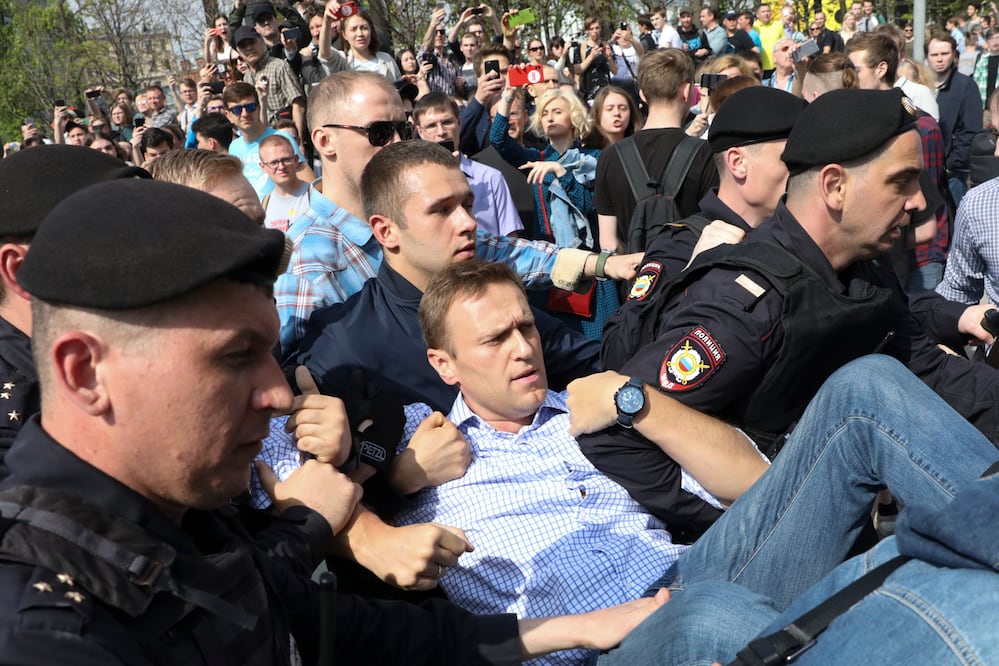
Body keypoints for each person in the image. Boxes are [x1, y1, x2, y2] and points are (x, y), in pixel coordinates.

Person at [0, 177, 666, 664]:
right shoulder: (49, 631)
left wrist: (570, 628)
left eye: (268, 352)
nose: (277, 394)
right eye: (235, 357)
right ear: (86, 373)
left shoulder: (192, 514)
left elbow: (370, 634)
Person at [581, 88, 999, 523]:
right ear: (834, 186)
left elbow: (930, 371)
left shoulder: (862, 272)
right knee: (868, 383)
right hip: (757, 543)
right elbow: (616, 435)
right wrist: (759, 518)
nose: (918, 202)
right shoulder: (747, 300)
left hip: (845, 530)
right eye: (901, 182)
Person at [276, 71, 640, 357]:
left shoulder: (416, 211)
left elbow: (503, 251)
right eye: (379, 131)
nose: (397, 143)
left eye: (402, 128)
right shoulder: (307, 257)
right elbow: (303, 376)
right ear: (325, 141)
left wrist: (606, 264)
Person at [601, 86, 806, 372]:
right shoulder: (680, 246)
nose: (804, 171)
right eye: (790, 159)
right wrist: (689, 280)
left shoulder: (796, 237)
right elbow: (617, 355)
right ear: (738, 163)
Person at [0, 146, 150, 480]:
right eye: (106, 240)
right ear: (22, 270)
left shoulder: (130, 346)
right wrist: (288, 519)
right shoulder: (11, 417)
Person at [593, 48, 718, 253]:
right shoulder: (706, 153)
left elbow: (609, 243)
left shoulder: (610, 156)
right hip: (692, 279)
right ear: (687, 92)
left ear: (642, 95)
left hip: (635, 279)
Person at [413, 92, 522, 237]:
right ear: (420, 131)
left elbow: (510, 239)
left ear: (459, 123)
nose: (441, 132)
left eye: (447, 122)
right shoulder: (414, 183)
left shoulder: (490, 178)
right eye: (431, 126)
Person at [927, 30, 984, 207]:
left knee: (956, 222)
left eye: (944, 54)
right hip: (926, 169)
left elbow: (971, 129)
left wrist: (951, 163)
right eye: (934, 54)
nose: (939, 59)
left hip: (953, 174)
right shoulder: (922, 86)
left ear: (954, 55)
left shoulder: (965, 86)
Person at [224, 82, 306, 198]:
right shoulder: (234, 147)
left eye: (250, 107)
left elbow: (309, 184)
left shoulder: (282, 138)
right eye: (237, 110)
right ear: (228, 115)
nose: (245, 114)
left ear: (258, 108)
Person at [232, 25, 307, 142]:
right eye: (243, 46)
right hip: (262, 140)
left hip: (285, 136)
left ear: (261, 41)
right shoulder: (246, 77)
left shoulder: (279, 66)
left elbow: (298, 104)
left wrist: (300, 141)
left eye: (252, 42)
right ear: (238, 51)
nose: (248, 48)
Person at [259, 133, 310, 232]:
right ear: (263, 167)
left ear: (296, 160)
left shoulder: (315, 195)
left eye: (286, 160)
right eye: (273, 163)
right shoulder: (264, 205)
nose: (281, 167)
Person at [573, 15, 616, 103]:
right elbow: (577, 70)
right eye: (591, 29)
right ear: (587, 31)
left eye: (597, 28)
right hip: (588, 96)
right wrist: (591, 57)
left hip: (606, 93)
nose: (595, 31)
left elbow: (615, 71)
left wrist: (609, 58)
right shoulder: (581, 48)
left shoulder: (606, 46)